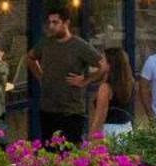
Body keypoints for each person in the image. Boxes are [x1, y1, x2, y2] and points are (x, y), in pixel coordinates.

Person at [26, 11, 103, 142]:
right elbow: (30, 58)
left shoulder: (79, 45)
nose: (51, 26)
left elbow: (103, 66)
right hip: (48, 108)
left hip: (71, 111)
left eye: (55, 22)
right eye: (49, 22)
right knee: (48, 151)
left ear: (66, 23)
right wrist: (40, 76)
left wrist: (85, 79)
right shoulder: (45, 43)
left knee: (70, 152)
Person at [90, 47, 136, 139]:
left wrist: (92, 136)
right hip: (126, 129)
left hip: (110, 131)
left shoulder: (106, 87)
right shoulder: (130, 82)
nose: (100, 64)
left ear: (110, 64)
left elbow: (100, 116)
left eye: (103, 61)